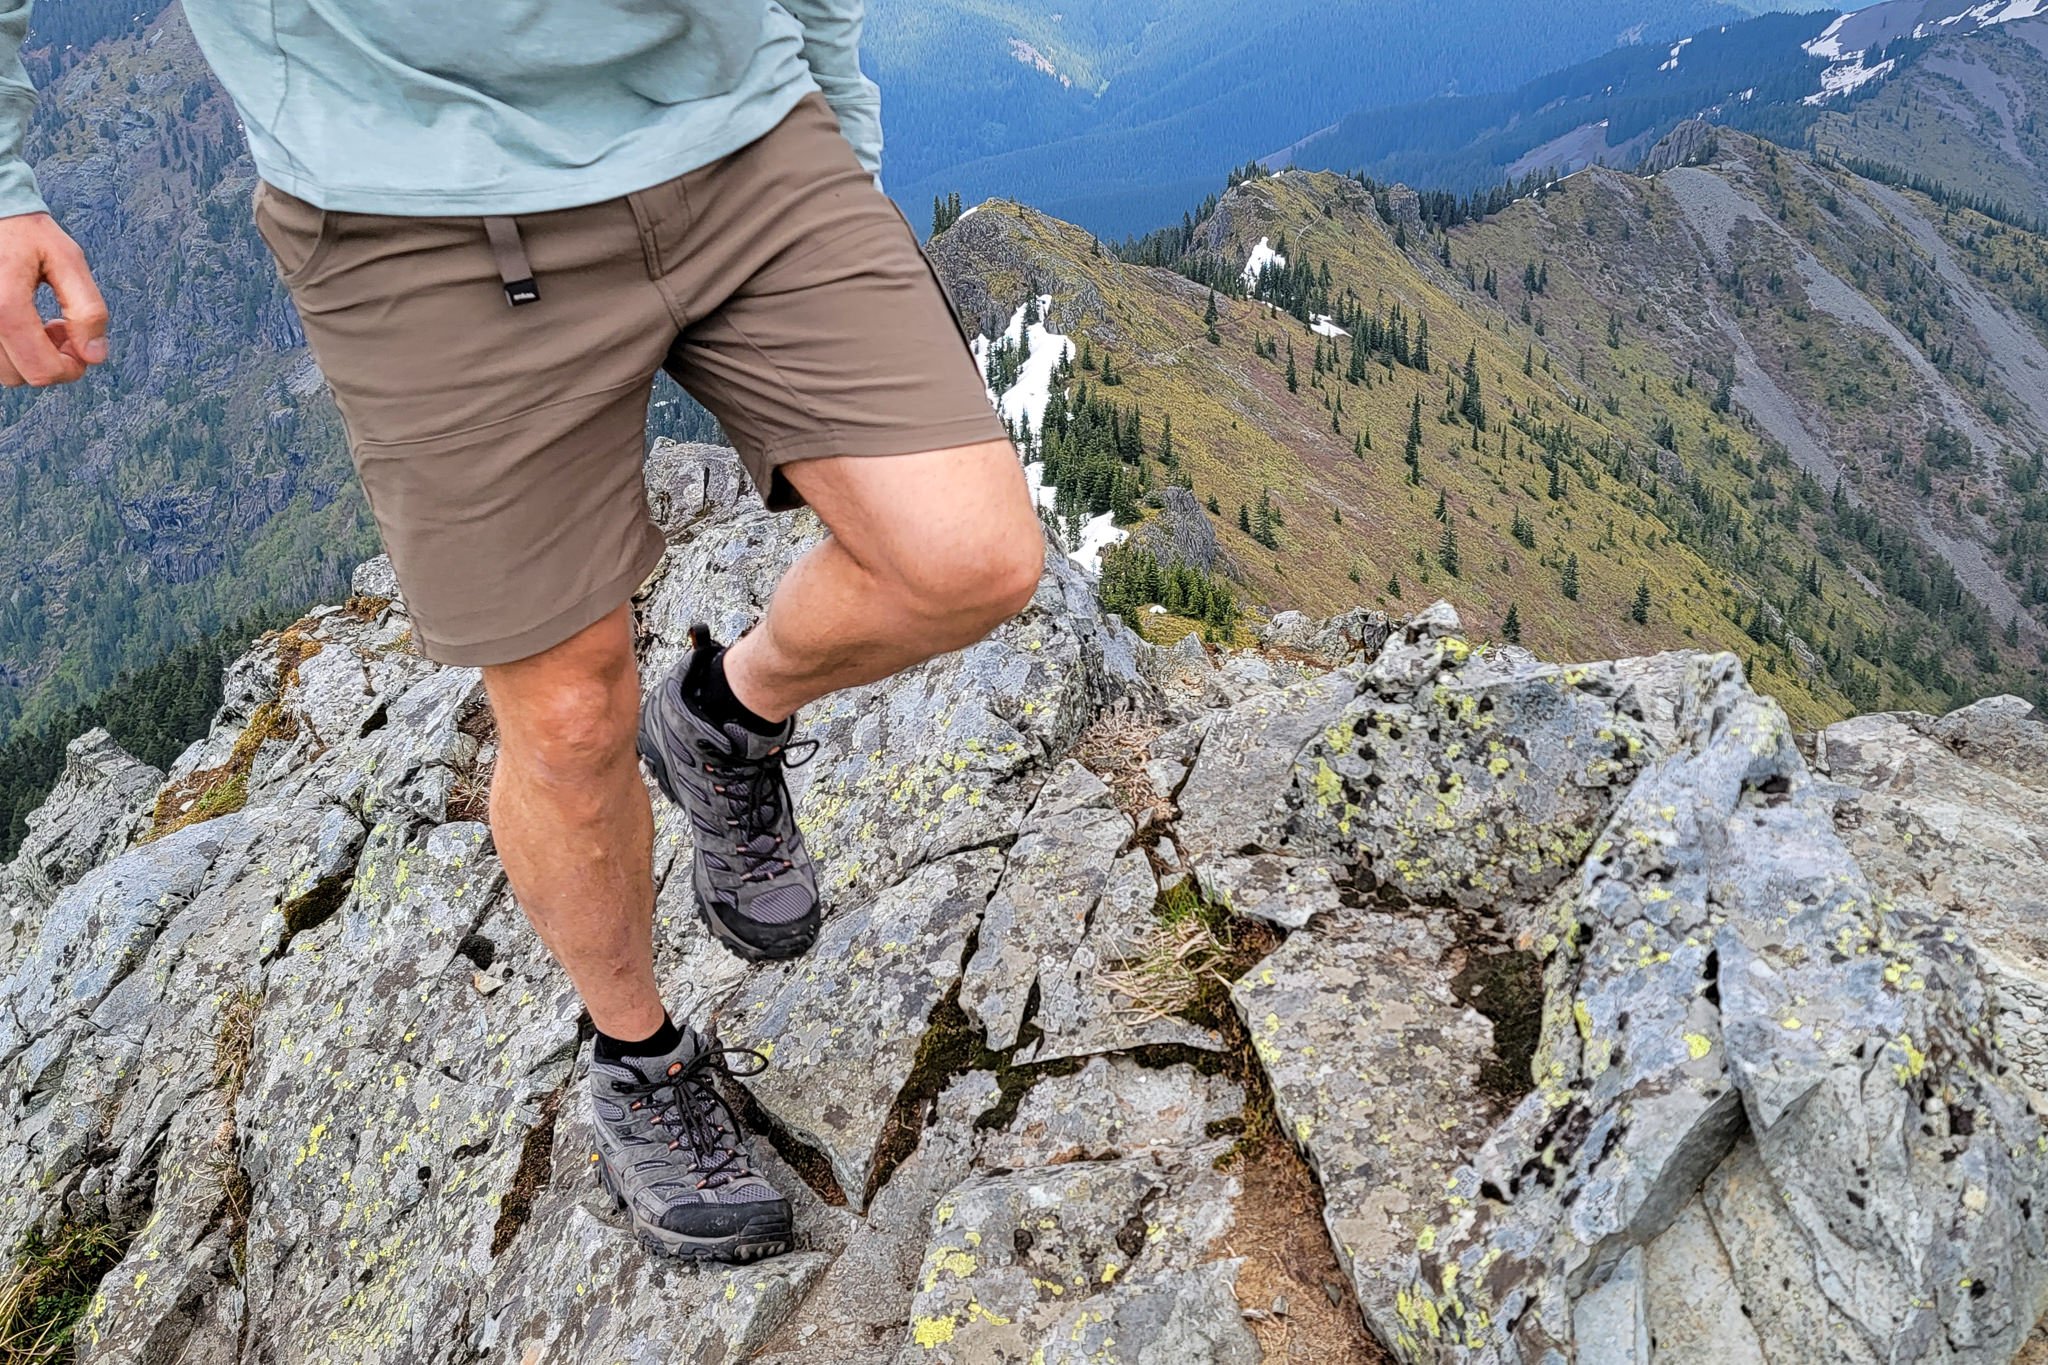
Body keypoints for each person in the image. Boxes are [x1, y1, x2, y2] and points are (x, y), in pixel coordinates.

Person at [0, 0, 1043, 1264]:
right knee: (563, 710)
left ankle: (721, 715)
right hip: (411, 215)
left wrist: (840, 132)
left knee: (968, 559)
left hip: (748, 137)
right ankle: (640, 1056)